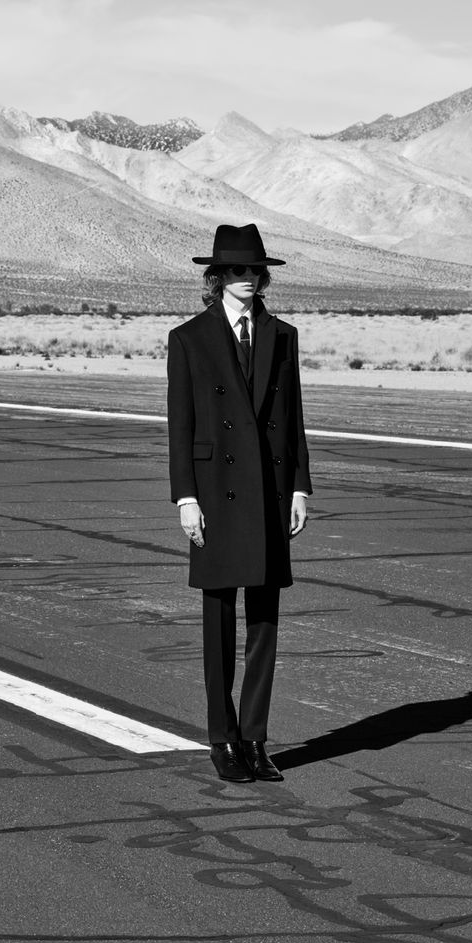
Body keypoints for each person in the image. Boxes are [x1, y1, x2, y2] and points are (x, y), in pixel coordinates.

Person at [166, 223, 312, 783]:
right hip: (216, 494)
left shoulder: (282, 335)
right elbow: (181, 427)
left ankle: (255, 739)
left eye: (255, 270)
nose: (247, 279)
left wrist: (300, 486)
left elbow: (293, 417)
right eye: (236, 270)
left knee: (266, 621)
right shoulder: (189, 338)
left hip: (271, 490)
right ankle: (221, 739)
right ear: (217, 277)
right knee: (220, 618)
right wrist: (185, 497)